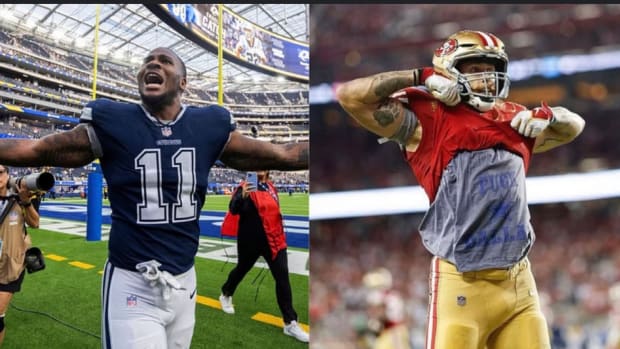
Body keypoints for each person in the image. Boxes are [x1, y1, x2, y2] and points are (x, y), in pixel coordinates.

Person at [0, 47, 308, 348]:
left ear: (183, 82)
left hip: (185, 282)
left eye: (165, 61)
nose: (154, 64)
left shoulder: (208, 125)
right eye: (148, 60)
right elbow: (38, 149)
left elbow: (284, 155)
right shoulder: (114, 121)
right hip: (133, 282)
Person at [336, 30, 585, 349]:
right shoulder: (429, 120)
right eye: (475, 69)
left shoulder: (514, 118)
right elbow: (350, 96)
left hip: (520, 282)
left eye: (491, 69)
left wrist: (550, 117)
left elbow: (575, 126)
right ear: (449, 71)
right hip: (462, 284)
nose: (487, 78)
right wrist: (421, 76)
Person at [219, 170, 309, 343]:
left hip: (274, 240)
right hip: (250, 241)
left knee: (282, 277)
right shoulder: (244, 187)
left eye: (263, 164)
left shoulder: (270, 187)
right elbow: (233, 210)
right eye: (256, 165)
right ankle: (226, 292)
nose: (260, 168)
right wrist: (242, 195)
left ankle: (290, 322)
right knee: (241, 270)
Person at [0, 165, 41, 346]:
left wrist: (26, 202)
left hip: (12, 263)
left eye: (0, 172)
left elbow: (35, 223)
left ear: (7, 175)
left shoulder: (21, 195)